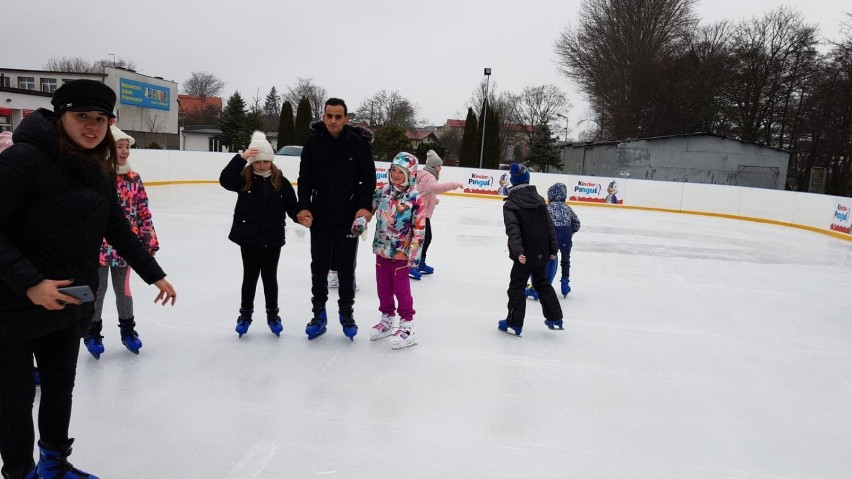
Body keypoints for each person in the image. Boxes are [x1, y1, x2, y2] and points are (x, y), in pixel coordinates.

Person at [0, 79, 177, 479]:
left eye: (101, 119)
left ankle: (53, 465)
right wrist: (29, 282)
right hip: (11, 304)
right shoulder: (23, 160)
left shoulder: (99, 168)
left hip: (68, 302)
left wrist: (154, 274)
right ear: (60, 116)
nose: (93, 127)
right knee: (14, 401)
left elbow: (115, 226)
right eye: (82, 117)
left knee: (60, 390)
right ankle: (19, 473)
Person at [296, 98, 376, 341]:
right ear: (323, 116)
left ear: (346, 118)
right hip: (320, 216)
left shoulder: (359, 145)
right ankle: (318, 314)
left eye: (338, 116)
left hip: (348, 217)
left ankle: (346, 313)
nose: (333, 121)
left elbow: (367, 181)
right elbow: (305, 179)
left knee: (345, 267)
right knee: (318, 267)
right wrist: (304, 207)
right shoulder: (313, 143)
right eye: (329, 116)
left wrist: (363, 208)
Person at [83, 126, 159, 359]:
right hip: (99, 247)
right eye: (119, 146)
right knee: (98, 289)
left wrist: (149, 241)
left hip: (126, 246)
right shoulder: (96, 175)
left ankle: (128, 330)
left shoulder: (134, 178)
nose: (125, 151)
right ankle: (92, 332)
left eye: (127, 146)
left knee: (123, 291)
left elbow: (143, 212)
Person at [220, 131, 298, 338]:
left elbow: (292, 207)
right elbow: (224, 180)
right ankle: (245, 315)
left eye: (266, 161)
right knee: (250, 276)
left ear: (272, 161)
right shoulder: (244, 179)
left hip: (273, 238)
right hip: (249, 237)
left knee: (270, 278)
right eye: (258, 162)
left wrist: (302, 217)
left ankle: (273, 315)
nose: (262, 166)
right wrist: (242, 157)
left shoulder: (281, 181)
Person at [499, 163, 563, 336]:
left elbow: (513, 230)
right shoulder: (539, 199)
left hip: (524, 256)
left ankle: (514, 323)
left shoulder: (511, 203)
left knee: (517, 287)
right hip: (541, 252)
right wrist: (553, 249)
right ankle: (555, 318)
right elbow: (549, 226)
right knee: (542, 283)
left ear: (513, 181)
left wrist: (519, 252)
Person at [369, 152, 425, 349]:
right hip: (382, 249)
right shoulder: (382, 191)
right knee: (382, 287)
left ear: (410, 174)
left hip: (402, 252)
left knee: (401, 289)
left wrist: (414, 253)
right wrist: (360, 220)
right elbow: (368, 209)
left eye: (401, 171)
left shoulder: (415, 197)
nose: (396, 174)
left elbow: (419, 227)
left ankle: (407, 325)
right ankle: (386, 319)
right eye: (393, 170)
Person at [409, 149, 463, 280]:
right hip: (420, 213)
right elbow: (435, 188)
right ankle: (412, 265)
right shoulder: (429, 176)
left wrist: (433, 201)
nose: (440, 168)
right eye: (439, 166)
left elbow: (425, 192)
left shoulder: (426, 175)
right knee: (423, 239)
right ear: (433, 166)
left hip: (421, 211)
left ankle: (419, 263)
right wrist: (454, 184)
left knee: (425, 239)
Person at [524, 182, 581, 300]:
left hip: (550, 238)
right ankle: (565, 284)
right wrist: (569, 232)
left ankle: (536, 288)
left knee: (542, 259)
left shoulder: (546, 208)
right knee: (565, 260)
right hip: (566, 237)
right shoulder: (567, 208)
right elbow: (576, 223)